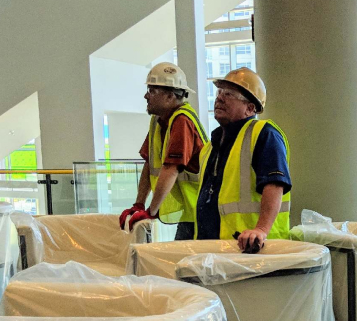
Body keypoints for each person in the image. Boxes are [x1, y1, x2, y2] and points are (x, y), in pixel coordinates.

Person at [194, 67, 291, 253]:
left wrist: (261, 230)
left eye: (229, 94)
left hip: (253, 250)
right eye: (219, 92)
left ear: (250, 108)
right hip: (214, 248)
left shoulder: (264, 134)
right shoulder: (212, 145)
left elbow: (275, 184)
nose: (219, 98)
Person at [119, 62, 209, 239]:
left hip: (200, 213)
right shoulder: (158, 121)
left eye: (152, 91)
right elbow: (149, 162)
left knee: (186, 264)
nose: (146, 96)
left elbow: (171, 169)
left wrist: (151, 211)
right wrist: (139, 204)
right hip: (190, 213)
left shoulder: (182, 121)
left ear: (169, 96)